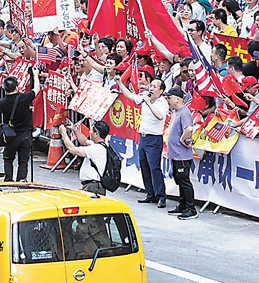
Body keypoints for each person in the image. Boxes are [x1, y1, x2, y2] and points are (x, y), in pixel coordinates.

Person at [122, 77, 168, 208]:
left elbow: (160, 116)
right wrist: (119, 83)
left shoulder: (162, 103)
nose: (151, 88)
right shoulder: (144, 96)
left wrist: (149, 103)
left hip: (154, 139)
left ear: (161, 91)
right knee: (144, 166)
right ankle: (150, 194)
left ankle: (161, 196)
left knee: (154, 168)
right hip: (143, 137)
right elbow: (130, 96)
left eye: (155, 87)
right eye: (151, 86)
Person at [0, 66, 39, 181]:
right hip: (25, 135)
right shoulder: (24, 99)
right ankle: (21, 180)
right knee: (23, 161)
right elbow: (36, 90)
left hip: (11, 135)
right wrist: (35, 75)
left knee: (8, 158)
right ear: (17, 87)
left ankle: (8, 179)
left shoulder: (1, 102)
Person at [165, 87, 198, 219]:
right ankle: (183, 205)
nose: (168, 100)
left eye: (169, 98)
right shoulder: (176, 112)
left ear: (177, 99)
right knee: (179, 180)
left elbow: (189, 128)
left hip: (182, 155)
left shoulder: (184, 112)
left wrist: (182, 139)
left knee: (184, 181)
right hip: (176, 154)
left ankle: (191, 208)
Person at [59, 119, 111, 196]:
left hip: (93, 187)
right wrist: (75, 129)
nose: (90, 132)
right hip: (93, 186)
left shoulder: (97, 149)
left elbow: (72, 149)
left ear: (96, 133)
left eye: (91, 130)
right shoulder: (101, 145)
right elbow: (85, 141)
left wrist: (63, 133)